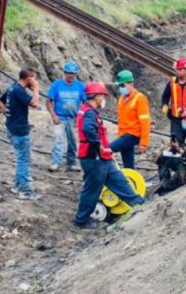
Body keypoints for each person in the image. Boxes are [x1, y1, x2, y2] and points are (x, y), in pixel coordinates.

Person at [74, 82, 145, 229]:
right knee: (92, 189)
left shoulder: (89, 111)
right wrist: (100, 146)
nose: (103, 99)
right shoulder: (88, 113)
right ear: (97, 96)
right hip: (94, 158)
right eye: (102, 96)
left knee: (119, 181)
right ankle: (81, 220)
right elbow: (88, 130)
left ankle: (140, 204)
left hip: (102, 158)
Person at [0, 68, 40, 200]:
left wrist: (9, 114)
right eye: (33, 78)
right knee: (24, 160)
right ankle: (24, 190)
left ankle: (17, 186)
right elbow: (34, 103)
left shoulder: (12, 88)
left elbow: (1, 102)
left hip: (12, 127)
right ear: (28, 79)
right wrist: (36, 88)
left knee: (20, 158)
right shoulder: (18, 90)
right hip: (19, 130)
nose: (34, 81)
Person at [46, 61, 87, 172]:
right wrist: (53, 115)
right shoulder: (57, 85)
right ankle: (56, 162)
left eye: (73, 73)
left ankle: (71, 162)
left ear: (76, 74)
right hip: (60, 117)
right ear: (64, 72)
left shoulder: (80, 86)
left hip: (73, 118)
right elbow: (49, 101)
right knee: (58, 140)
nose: (71, 75)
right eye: (69, 73)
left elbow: (86, 103)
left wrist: (81, 116)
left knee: (72, 141)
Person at [110, 70, 151, 170]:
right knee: (128, 166)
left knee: (107, 149)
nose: (121, 88)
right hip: (124, 135)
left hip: (133, 135)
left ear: (130, 83)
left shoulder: (140, 99)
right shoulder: (121, 98)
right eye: (120, 86)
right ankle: (131, 182)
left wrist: (144, 143)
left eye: (122, 86)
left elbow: (145, 122)